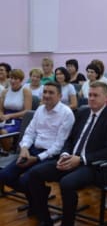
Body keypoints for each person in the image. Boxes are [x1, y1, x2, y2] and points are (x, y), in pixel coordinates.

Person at [27, 81, 107, 226]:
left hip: (93, 166)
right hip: (71, 158)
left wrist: (82, 159)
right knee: (34, 174)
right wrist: (65, 154)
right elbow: (69, 139)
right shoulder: (83, 113)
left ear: (106, 98)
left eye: (95, 95)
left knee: (67, 183)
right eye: (89, 95)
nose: (91, 99)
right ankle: (45, 220)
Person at [0, 82, 75, 212]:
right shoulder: (40, 109)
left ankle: (36, 201)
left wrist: (37, 159)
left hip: (50, 155)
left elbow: (59, 145)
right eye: (45, 92)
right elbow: (30, 132)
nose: (46, 95)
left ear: (60, 96)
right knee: (5, 175)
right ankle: (39, 195)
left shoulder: (66, 114)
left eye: (51, 92)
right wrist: (24, 149)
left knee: (28, 180)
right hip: (32, 150)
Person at [0, 69, 32, 153]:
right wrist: (1, 115)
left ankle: (7, 151)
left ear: (20, 80)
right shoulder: (4, 91)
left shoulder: (26, 91)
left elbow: (27, 111)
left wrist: (10, 116)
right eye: (11, 78)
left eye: (15, 78)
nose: (12, 80)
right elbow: (0, 109)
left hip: (19, 120)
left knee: (3, 132)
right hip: (4, 119)